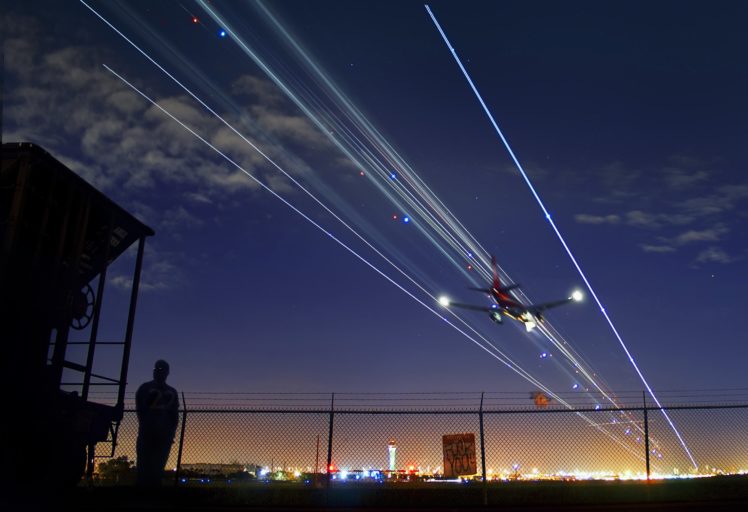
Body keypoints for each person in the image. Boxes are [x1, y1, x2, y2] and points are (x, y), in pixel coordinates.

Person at [135, 359, 179, 487]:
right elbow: (141, 411)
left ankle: (150, 491)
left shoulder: (147, 388)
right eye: (156, 369)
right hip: (152, 433)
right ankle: (146, 491)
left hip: (159, 433)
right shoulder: (147, 388)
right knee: (147, 465)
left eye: (160, 370)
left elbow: (174, 415)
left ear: (167, 372)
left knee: (156, 465)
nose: (157, 372)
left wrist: (171, 432)